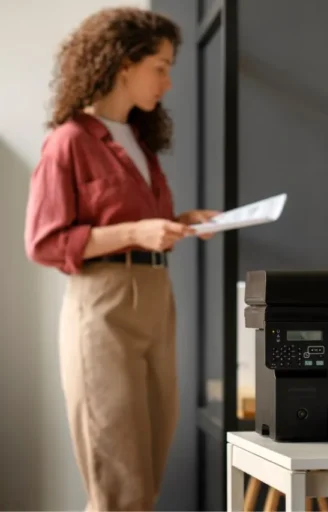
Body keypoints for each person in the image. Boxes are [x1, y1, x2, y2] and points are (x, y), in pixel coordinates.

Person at [24, 7, 217, 511]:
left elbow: (133, 223)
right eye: (161, 65)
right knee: (118, 486)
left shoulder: (139, 141)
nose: (168, 81)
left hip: (156, 300)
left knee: (146, 475)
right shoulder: (68, 141)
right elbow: (44, 241)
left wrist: (179, 220)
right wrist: (135, 231)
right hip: (104, 307)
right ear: (124, 63)